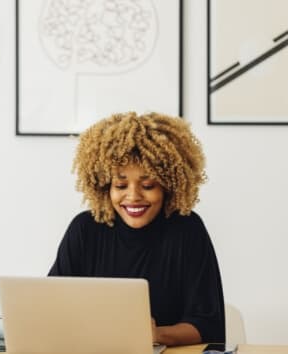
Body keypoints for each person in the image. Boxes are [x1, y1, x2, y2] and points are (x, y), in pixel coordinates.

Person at [48, 111, 225, 346]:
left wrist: (156, 336)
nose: (133, 196)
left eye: (148, 185)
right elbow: (50, 307)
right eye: (121, 185)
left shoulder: (187, 230)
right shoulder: (85, 229)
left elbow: (209, 326)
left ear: (168, 185)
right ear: (104, 187)